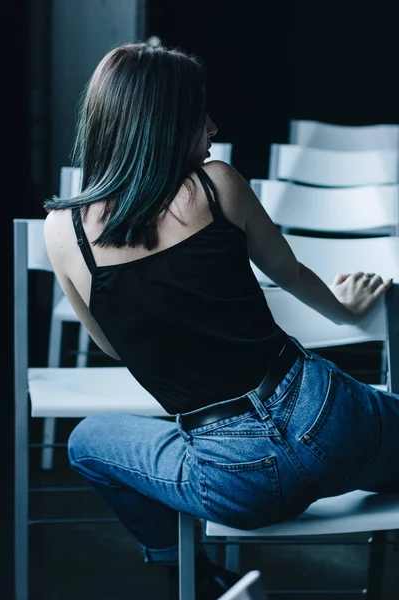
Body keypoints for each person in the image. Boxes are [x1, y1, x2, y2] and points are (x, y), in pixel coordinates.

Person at [43, 42, 399, 599]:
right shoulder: (215, 184)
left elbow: (115, 349)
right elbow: (292, 274)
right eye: (197, 113)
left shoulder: (65, 231)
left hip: (238, 481)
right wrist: (347, 308)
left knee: (87, 441)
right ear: (158, 123)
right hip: (334, 420)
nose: (211, 125)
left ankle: (194, 577)